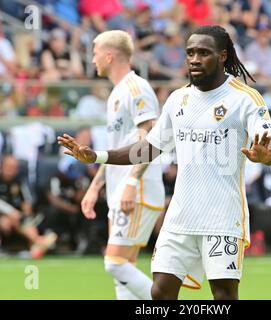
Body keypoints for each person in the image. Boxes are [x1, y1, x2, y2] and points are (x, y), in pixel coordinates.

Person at [58, 25, 271, 300]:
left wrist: (266, 156)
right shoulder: (179, 99)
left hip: (222, 217)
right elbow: (148, 148)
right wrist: (97, 156)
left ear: (223, 56)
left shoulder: (244, 98)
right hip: (180, 216)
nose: (195, 59)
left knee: (223, 295)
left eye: (204, 53)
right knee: (160, 292)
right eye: (190, 53)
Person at [76, 30, 165, 300]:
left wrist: (131, 183)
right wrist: (95, 186)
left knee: (114, 263)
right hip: (120, 191)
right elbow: (117, 149)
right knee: (125, 267)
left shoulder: (136, 88)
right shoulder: (116, 93)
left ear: (109, 55)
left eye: (95, 53)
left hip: (136, 190)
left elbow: (148, 140)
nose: (92, 60)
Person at [0, 155, 57, 258]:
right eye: (8, 167)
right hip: (5, 216)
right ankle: (41, 241)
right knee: (11, 218)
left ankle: (36, 245)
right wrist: (9, 213)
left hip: (16, 218)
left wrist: (26, 214)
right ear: (2, 166)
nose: (10, 170)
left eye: (13, 168)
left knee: (25, 221)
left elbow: (26, 202)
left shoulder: (19, 182)